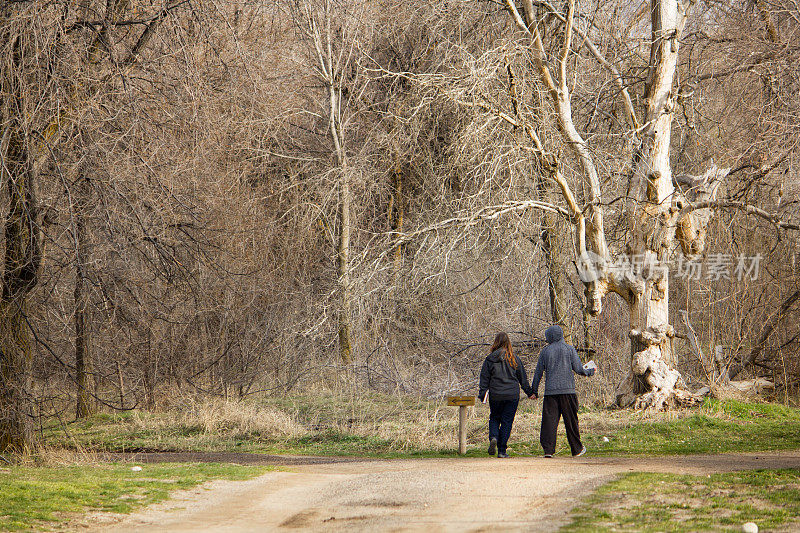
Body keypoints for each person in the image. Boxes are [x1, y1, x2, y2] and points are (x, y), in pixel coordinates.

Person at [531, 325, 595, 458]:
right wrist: (590, 372)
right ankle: (576, 449)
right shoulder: (569, 349)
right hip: (568, 392)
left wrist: (534, 390)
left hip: (550, 393)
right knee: (571, 421)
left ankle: (548, 450)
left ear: (549, 337)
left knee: (549, 422)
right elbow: (578, 369)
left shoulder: (545, 351)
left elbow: (538, 373)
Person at [478, 332, 534, 458]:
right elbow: (523, 379)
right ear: (508, 343)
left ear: (495, 342)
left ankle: (493, 437)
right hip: (512, 395)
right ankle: (502, 451)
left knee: (494, 418)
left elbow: (484, 379)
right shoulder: (514, 358)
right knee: (507, 421)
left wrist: (483, 393)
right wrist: (530, 393)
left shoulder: (490, 359)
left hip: (496, 395)